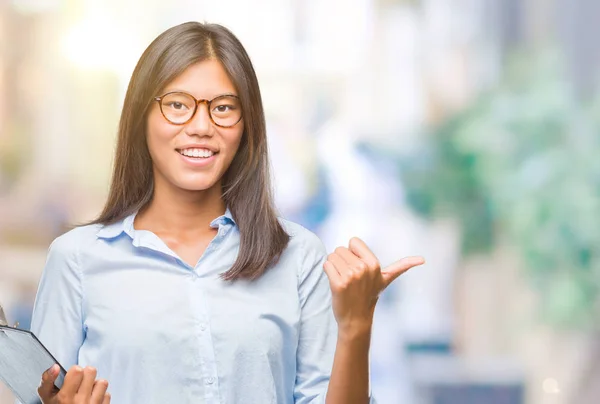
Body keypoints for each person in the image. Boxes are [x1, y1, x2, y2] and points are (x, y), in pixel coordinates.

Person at [31, 22, 424, 404]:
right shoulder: (76, 260)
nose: (201, 126)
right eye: (178, 105)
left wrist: (356, 326)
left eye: (222, 108)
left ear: (246, 126)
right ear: (140, 117)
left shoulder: (299, 256)